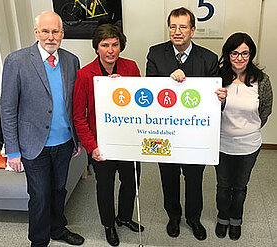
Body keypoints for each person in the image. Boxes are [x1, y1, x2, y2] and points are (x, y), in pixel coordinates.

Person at [0, 11, 84, 247]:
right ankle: (38, 240)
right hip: (33, 145)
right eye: (45, 31)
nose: (50, 36)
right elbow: (7, 109)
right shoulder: (16, 61)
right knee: (39, 196)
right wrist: (13, 151)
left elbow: (73, 104)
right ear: (36, 33)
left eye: (55, 31)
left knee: (59, 190)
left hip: (65, 142)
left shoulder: (71, 60)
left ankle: (58, 229)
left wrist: (76, 139)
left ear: (62, 34)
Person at [146, 7, 227, 241]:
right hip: (164, 132)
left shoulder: (209, 58)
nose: (177, 31)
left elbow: (213, 101)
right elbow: (149, 95)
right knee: (168, 178)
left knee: (194, 179)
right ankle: (173, 216)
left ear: (193, 30)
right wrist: (168, 83)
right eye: (173, 26)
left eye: (182, 27)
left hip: (195, 135)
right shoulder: (156, 54)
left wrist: (220, 98)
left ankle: (194, 218)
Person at [73, 24, 144, 247]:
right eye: (105, 45)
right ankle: (109, 225)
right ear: (97, 48)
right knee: (105, 186)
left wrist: (125, 87)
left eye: (115, 44)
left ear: (120, 46)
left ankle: (123, 217)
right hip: (100, 144)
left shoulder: (131, 68)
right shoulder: (85, 75)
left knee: (131, 182)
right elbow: (78, 117)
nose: (110, 50)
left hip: (128, 139)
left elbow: (142, 103)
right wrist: (91, 146)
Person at [215, 32, 273, 240]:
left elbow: (265, 111)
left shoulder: (262, 80)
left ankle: (235, 220)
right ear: (228, 55)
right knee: (223, 186)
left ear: (251, 55)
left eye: (244, 53)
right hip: (221, 144)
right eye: (234, 53)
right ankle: (222, 218)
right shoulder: (218, 79)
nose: (239, 58)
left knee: (239, 187)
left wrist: (248, 128)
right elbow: (210, 110)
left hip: (249, 146)